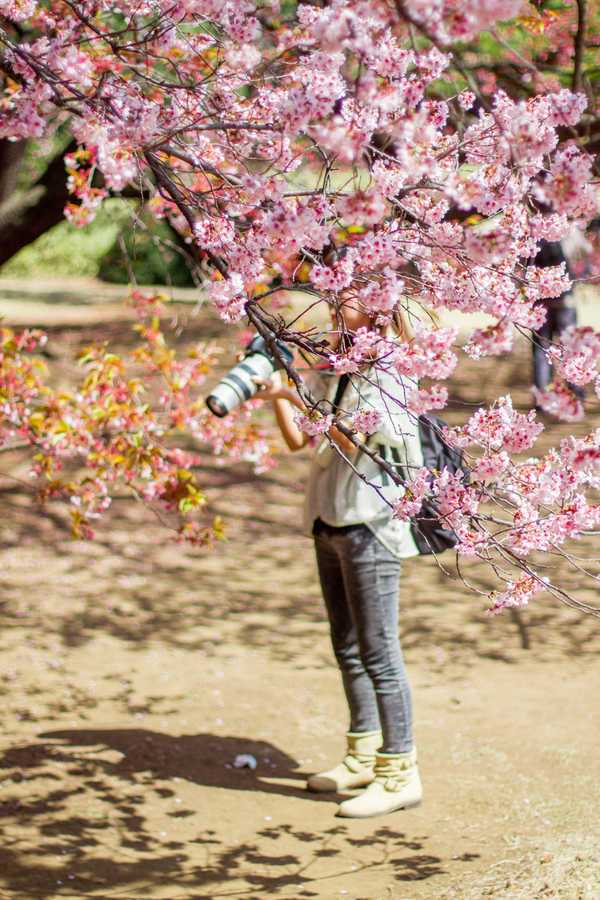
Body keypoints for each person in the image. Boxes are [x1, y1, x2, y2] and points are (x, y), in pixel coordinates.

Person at [254, 297, 424, 818]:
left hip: (369, 526)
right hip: (329, 519)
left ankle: (400, 773)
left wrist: (310, 399)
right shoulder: (345, 371)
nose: (334, 304)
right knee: (347, 647)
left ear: (376, 307)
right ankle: (362, 754)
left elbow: (354, 441)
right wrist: (280, 394)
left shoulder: (392, 372)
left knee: (379, 651)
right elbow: (302, 441)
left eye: (346, 299)